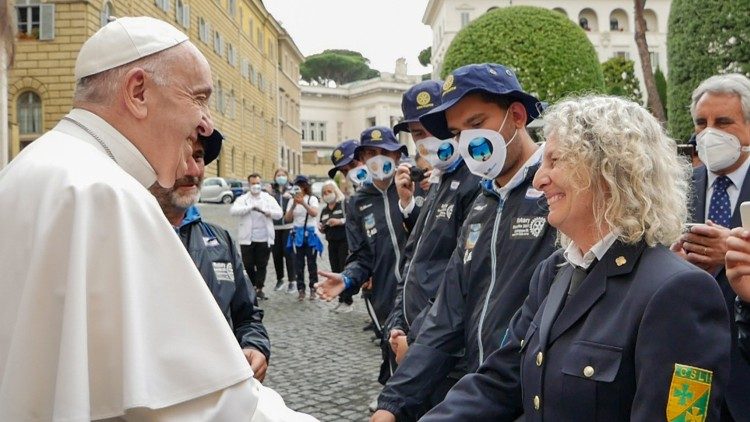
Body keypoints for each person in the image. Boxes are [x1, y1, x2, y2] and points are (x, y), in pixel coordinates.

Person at [0, 16, 313, 420]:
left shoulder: (28, 170)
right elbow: (205, 406)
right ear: (138, 92)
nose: (206, 123)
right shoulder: (108, 193)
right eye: (199, 98)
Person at [421, 95, 730, 421]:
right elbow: (500, 381)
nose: (539, 179)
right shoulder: (554, 272)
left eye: (555, 161)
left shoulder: (678, 292)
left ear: (609, 168)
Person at [373, 64, 556, 421]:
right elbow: (447, 315)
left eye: (476, 123)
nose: (467, 140)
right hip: (481, 391)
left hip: (536, 396)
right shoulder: (483, 206)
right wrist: (392, 404)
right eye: (458, 132)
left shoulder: (556, 192)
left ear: (516, 115)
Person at [150, 131, 271, 381]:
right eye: (180, 156)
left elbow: (247, 314)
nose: (193, 170)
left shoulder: (220, 239)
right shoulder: (124, 236)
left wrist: (254, 345)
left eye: (199, 156)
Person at [382, 80, 482, 380]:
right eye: (417, 134)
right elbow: (414, 259)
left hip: (446, 347)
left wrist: (418, 337)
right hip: (417, 333)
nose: (428, 140)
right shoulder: (440, 179)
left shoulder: (475, 180)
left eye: (436, 128)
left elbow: (460, 276)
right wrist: (398, 321)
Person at [671, 73, 750, 421]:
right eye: (701, 123)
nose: (709, 133)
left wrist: (733, 253)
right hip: (690, 366)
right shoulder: (677, 188)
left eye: (724, 122)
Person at [316, 126, 419, 385]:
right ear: (361, 160)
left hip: (423, 294)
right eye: (371, 153)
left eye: (385, 151)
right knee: (397, 362)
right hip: (385, 298)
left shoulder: (415, 186)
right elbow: (361, 256)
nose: (378, 158)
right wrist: (348, 278)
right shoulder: (357, 203)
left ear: (397, 156)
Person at [230, 173, 283, 300]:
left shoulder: (268, 198)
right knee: (248, 264)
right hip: (247, 238)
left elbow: (279, 213)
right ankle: (252, 286)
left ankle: (259, 288)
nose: (255, 186)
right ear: (249, 185)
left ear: (261, 184)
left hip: (264, 237)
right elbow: (233, 211)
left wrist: (267, 212)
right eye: (253, 183)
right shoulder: (243, 199)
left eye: (258, 183)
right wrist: (250, 207)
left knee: (262, 264)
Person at [285, 175, 323, 301]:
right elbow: (287, 219)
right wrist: (294, 205)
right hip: (297, 234)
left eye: (302, 185)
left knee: (312, 263)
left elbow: (314, 213)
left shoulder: (312, 199)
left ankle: (313, 288)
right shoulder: (292, 201)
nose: (300, 188)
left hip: (310, 233)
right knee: (298, 264)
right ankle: (301, 289)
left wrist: (303, 203)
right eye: (298, 185)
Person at [318, 180, 352, 312]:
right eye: (325, 193)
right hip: (331, 243)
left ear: (335, 191)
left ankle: (348, 301)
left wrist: (339, 221)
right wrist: (322, 228)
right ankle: (341, 300)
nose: (327, 194)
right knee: (335, 271)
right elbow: (323, 225)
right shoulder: (325, 210)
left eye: (329, 191)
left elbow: (352, 219)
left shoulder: (343, 204)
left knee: (345, 270)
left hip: (344, 241)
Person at [270, 168, 297, 293]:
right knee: (276, 254)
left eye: (283, 175)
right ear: (275, 177)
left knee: (289, 253)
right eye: (278, 175)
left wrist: (293, 195)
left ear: (287, 176)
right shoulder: (271, 191)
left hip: (288, 226)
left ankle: (293, 281)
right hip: (274, 227)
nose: (280, 177)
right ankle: (280, 279)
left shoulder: (292, 189)